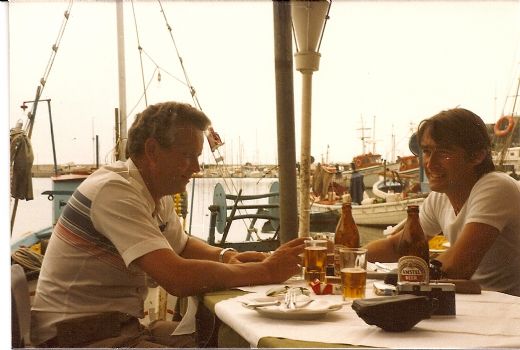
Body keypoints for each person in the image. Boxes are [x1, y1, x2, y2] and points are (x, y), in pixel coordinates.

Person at [31, 101, 306, 348]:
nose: (196, 168)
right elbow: (176, 277)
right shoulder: (113, 191)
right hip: (75, 338)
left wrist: (228, 256)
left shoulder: (154, 191)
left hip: (120, 327)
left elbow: (183, 246)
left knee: (226, 339)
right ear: (152, 151)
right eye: (188, 156)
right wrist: (265, 270)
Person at [365, 108, 520, 296]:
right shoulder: (440, 197)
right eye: (427, 152)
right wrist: (347, 258)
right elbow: (396, 247)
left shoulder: (496, 186)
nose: (430, 164)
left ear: (477, 156)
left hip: (509, 309)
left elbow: (457, 267)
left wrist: (398, 276)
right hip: (474, 303)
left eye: (444, 153)